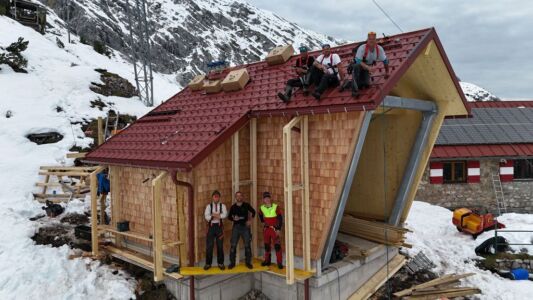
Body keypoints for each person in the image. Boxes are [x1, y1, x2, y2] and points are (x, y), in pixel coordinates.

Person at [351, 31, 390, 96]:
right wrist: (367, 67)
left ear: (375, 40)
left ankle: (350, 83)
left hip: (367, 67)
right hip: (360, 65)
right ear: (367, 40)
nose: (371, 41)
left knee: (365, 84)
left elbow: (385, 61)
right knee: (356, 66)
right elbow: (357, 60)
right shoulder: (362, 48)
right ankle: (354, 91)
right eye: (370, 39)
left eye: (373, 39)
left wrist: (387, 72)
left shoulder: (379, 49)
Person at [227, 191, 256, 269]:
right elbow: (229, 217)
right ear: (235, 198)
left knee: (247, 246)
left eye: (240, 196)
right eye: (237, 196)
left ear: (242, 197)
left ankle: (248, 263)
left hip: (245, 228)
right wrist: (233, 218)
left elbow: (253, 212)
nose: (239, 197)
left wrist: (250, 221)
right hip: (236, 227)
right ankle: (232, 263)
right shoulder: (233, 207)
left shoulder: (246, 205)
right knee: (233, 246)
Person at [258, 191, 283, 269]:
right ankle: (267, 261)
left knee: (277, 246)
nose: (267, 199)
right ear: (263, 200)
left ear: (270, 198)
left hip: (274, 229)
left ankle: (279, 263)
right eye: (265, 198)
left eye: (268, 198)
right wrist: (262, 221)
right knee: (267, 246)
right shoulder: (262, 208)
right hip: (266, 229)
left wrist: (278, 229)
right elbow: (260, 214)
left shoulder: (275, 207)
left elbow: (280, 218)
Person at [204, 190, 228, 270]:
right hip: (211, 228)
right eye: (215, 196)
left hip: (219, 227)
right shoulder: (209, 206)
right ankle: (208, 264)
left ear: (219, 197)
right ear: (212, 197)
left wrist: (216, 215)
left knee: (220, 246)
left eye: (217, 196)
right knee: (209, 246)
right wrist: (215, 216)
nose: (216, 198)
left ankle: (220, 263)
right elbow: (206, 216)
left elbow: (225, 215)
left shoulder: (223, 206)